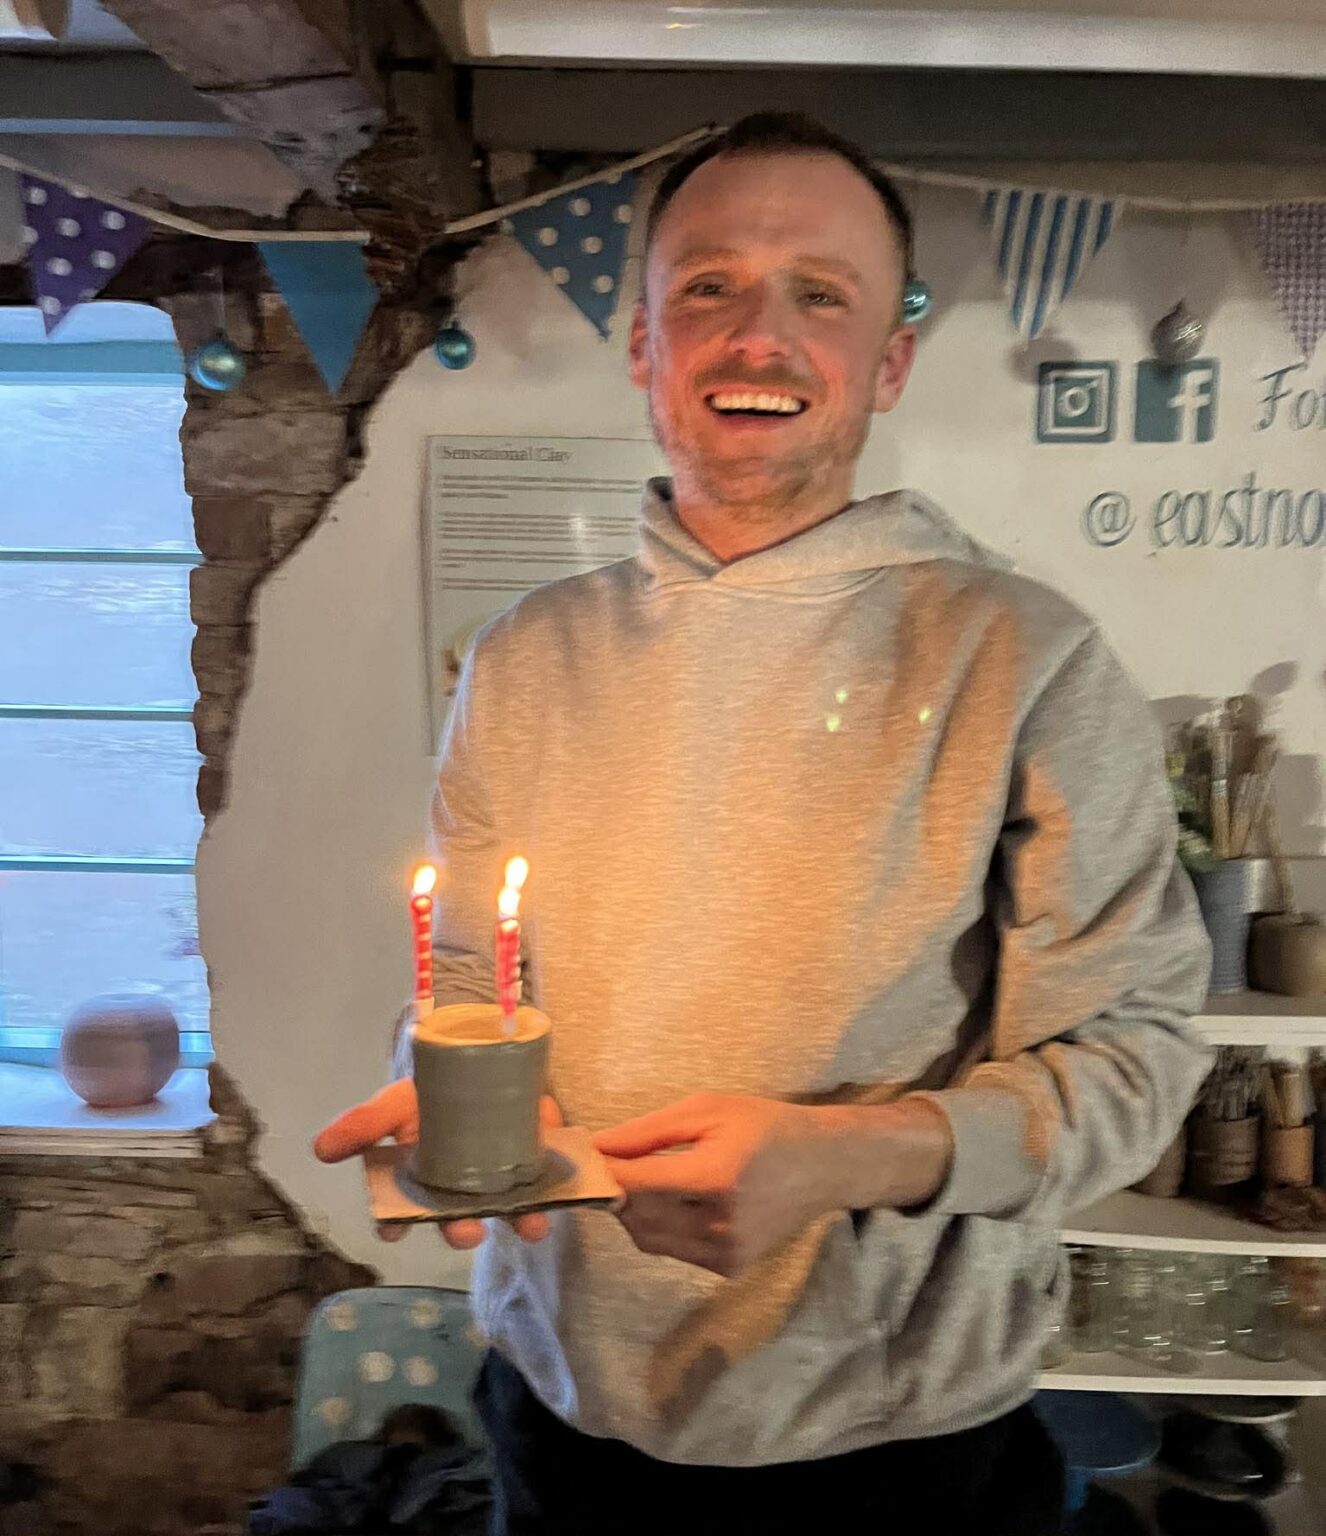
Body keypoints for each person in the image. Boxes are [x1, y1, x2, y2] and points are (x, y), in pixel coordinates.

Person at [316, 112, 1213, 1535]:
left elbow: (1135, 1065)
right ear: (645, 347)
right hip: (563, 1414)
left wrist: (848, 1158)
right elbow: (468, 980)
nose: (757, 334)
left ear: (888, 360)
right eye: (707, 288)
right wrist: (448, 1092)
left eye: (820, 292)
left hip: (901, 1441)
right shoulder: (522, 656)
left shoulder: (1024, 656)